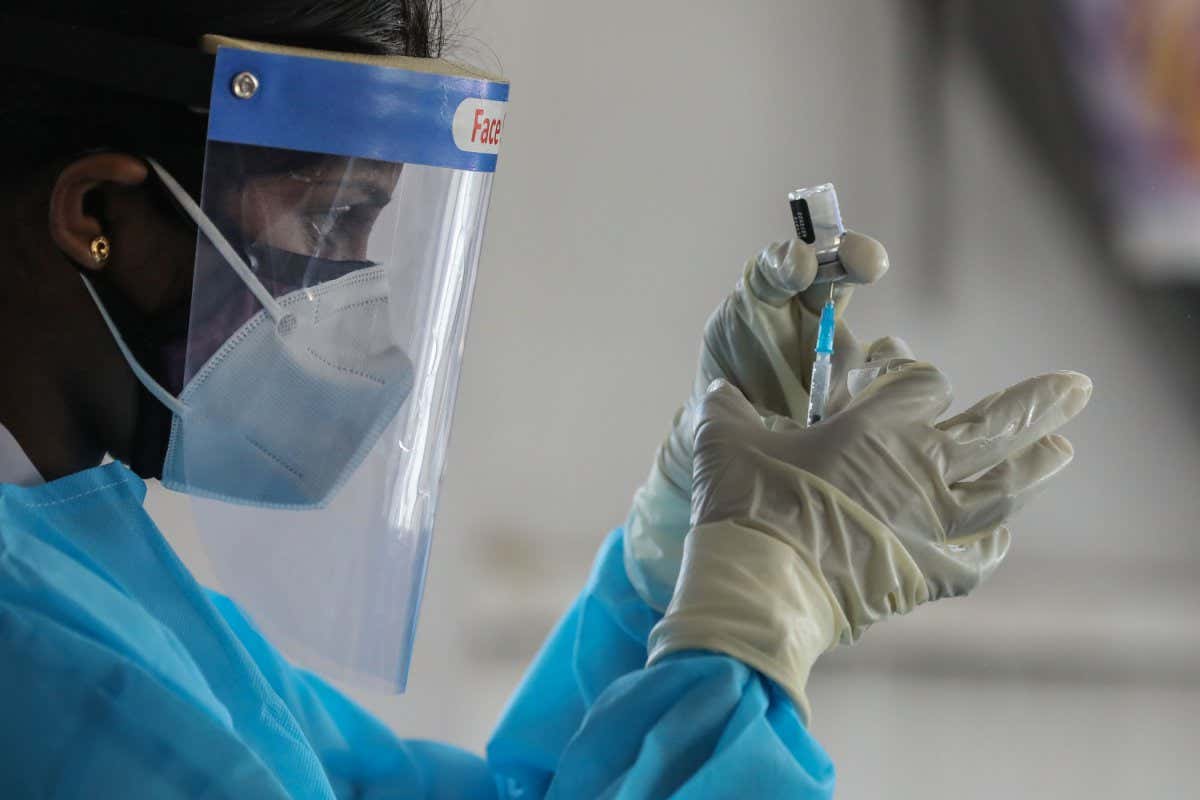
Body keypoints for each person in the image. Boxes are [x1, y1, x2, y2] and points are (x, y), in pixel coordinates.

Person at [0, 3, 1092, 798]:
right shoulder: (31, 653)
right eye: (328, 223)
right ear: (98, 211)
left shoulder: (97, 571)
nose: (362, 303)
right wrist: (757, 607)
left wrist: (675, 561)